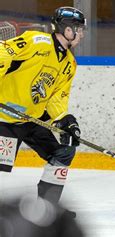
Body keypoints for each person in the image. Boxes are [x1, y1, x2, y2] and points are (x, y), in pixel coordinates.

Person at [0, 7, 86, 216]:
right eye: (78, 29)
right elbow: (3, 50)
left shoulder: (69, 64)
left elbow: (57, 97)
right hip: (4, 119)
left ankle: (48, 208)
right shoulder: (38, 41)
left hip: (31, 120)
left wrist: (65, 120)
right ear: (66, 30)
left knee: (63, 151)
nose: (81, 34)